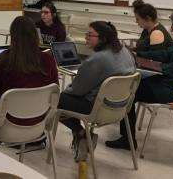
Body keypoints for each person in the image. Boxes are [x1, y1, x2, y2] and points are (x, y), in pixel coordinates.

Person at [106, 8, 173, 150]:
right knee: (131, 83)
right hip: (165, 82)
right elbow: (166, 54)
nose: (171, 30)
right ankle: (126, 136)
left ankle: (127, 139)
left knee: (128, 90)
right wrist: (138, 54)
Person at [58, 21, 135, 162]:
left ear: (103, 38)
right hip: (121, 107)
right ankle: (81, 135)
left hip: (98, 109)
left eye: (90, 34)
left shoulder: (96, 60)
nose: (86, 37)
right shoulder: (126, 52)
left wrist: (68, 89)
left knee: (57, 99)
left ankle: (81, 133)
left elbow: (76, 90)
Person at [0, 16, 59, 132]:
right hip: (38, 123)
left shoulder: (2, 59)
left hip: (6, 126)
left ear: (12, 36)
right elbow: (55, 90)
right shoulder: (48, 59)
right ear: (35, 35)